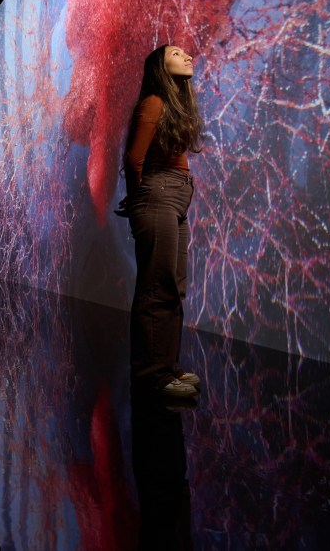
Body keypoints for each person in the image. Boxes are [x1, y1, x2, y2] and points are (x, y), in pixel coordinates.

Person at [117, 45, 204, 400]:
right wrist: (139, 200)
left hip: (176, 196)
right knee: (157, 288)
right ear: (159, 64)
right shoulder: (153, 102)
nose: (187, 57)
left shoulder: (173, 106)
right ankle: (152, 374)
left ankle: (166, 366)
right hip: (159, 195)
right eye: (177, 53)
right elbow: (134, 158)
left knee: (173, 287)